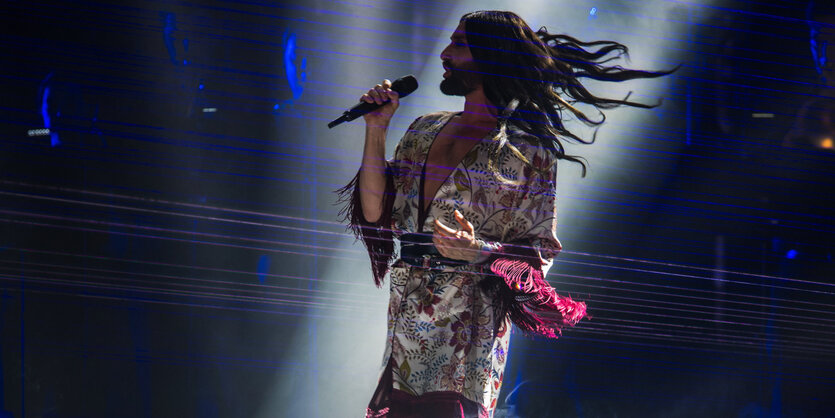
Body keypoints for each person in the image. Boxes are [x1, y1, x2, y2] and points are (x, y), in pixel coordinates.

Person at [338, 10, 674, 417]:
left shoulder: (527, 153)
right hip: (406, 327)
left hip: (468, 338)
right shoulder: (423, 129)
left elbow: (538, 256)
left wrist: (477, 251)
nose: (445, 53)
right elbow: (375, 212)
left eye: (459, 44)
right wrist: (376, 128)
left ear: (491, 55)